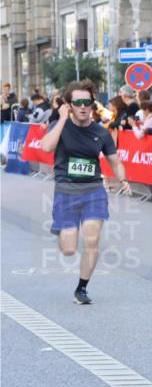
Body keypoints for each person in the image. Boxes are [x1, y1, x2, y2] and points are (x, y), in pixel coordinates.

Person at [39, 80, 132, 304]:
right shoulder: (60, 125)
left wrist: (123, 179)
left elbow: (115, 161)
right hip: (66, 191)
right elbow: (46, 147)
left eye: (87, 103)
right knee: (69, 249)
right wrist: (62, 118)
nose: (83, 107)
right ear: (69, 105)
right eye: (77, 103)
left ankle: (81, 289)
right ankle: (63, 231)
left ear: (92, 104)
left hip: (93, 191)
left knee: (92, 240)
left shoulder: (100, 132)